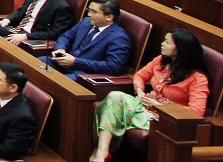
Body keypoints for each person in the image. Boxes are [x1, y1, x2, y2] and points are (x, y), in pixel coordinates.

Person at [90, 28, 209, 162]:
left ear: (180, 48)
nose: (162, 44)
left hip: (163, 119)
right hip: (143, 105)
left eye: (167, 42)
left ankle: (99, 155)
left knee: (111, 111)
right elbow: (140, 75)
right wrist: (140, 92)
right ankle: (102, 151)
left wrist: (159, 106)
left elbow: (196, 112)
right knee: (114, 97)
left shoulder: (198, 79)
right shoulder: (161, 60)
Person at [38, 0, 132, 79]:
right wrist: (60, 49)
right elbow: (66, 36)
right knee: (39, 62)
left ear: (109, 17)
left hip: (84, 73)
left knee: (61, 81)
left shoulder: (119, 37)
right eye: (89, 10)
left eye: (93, 12)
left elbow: (113, 67)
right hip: (64, 63)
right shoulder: (86, 22)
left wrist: (76, 62)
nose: (89, 15)